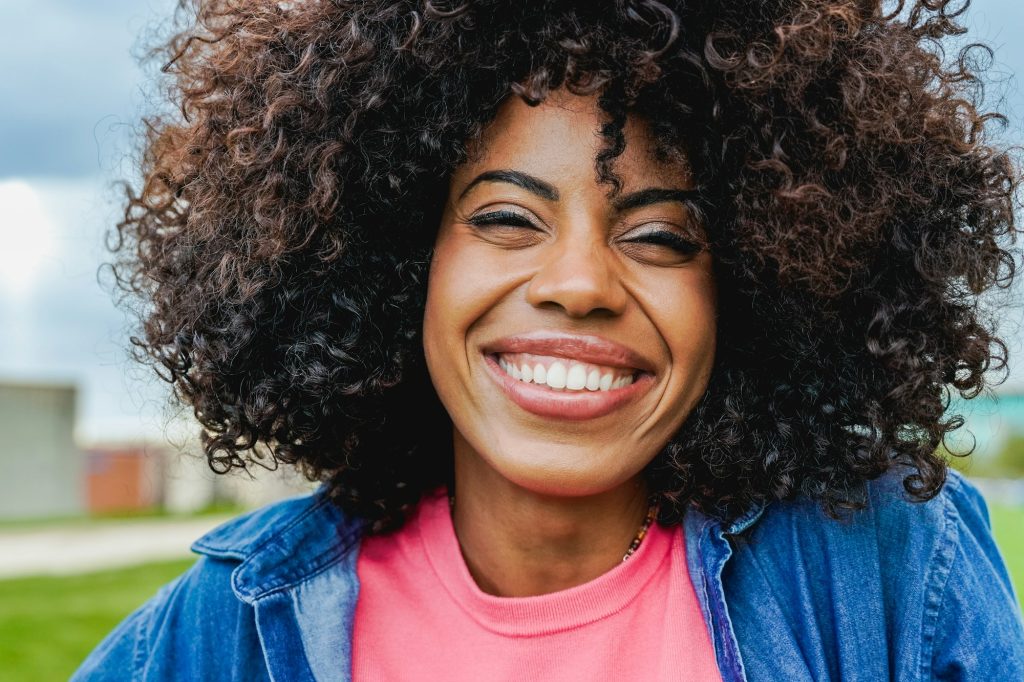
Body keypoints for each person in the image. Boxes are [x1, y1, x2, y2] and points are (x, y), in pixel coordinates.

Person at [74, 0, 1024, 679]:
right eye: (504, 219)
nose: (578, 286)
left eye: (659, 236)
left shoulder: (887, 562)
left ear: (758, 285)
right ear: (401, 260)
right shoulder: (230, 630)